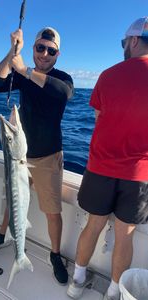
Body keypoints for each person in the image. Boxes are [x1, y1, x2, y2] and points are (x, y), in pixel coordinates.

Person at [0, 27, 73, 285]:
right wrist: (13, 52)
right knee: (13, 201)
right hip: (18, 155)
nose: (44, 53)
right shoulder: (21, 75)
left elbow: (62, 94)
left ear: (57, 54)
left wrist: (24, 70)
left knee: (52, 211)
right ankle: (2, 235)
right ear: (32, 49)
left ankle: (55, 255)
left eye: (50, 50)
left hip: (48, 157)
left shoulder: (62, 78)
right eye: (39, 47)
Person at [67, 16, 148, 300]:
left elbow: (98, 116)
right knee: (125, 234)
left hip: (100, 168)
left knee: (94, 224)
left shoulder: (108, 74)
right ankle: (114, 293)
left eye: (124, 42)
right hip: (139, 174)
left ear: (134, 40)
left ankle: (76, 282)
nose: (123, 46)